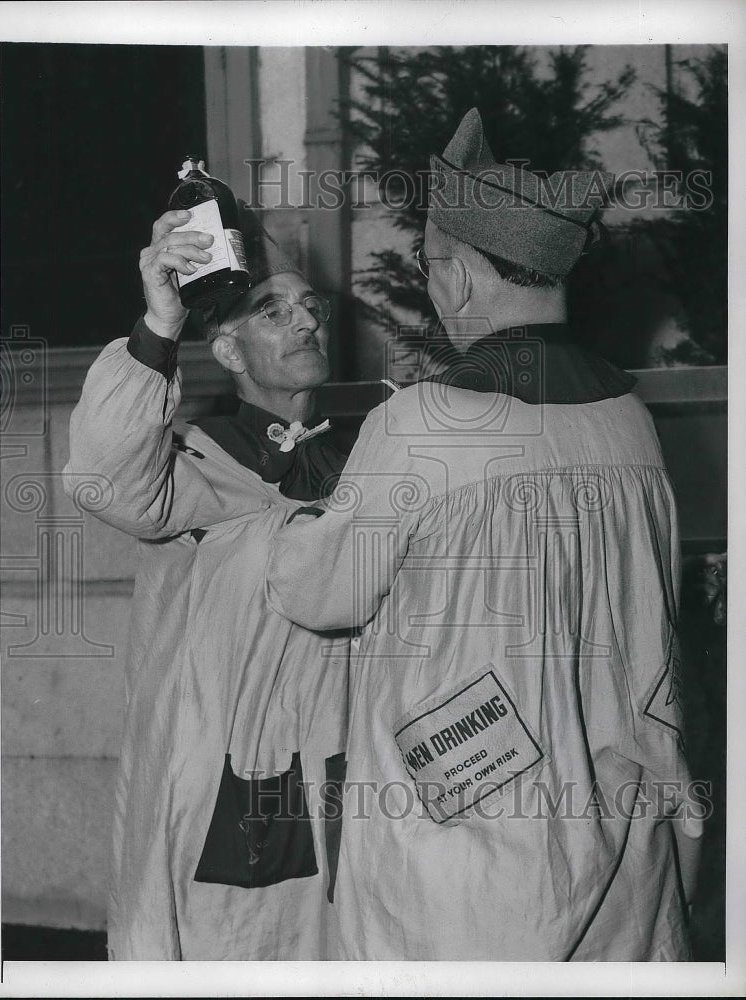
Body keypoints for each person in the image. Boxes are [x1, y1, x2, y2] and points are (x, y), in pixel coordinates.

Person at [265, 108, 702, 961]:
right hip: (621, 849)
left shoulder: (426, 422)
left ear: (458, 277)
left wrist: (303, 506)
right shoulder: (632, 423)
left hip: (465, 863)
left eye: (432, 272)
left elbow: (315, 593)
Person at [63, 201, 350, 960]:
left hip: (349, 783)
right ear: (225, 350)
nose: (304, 321)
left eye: (310, 307)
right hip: (229, 796)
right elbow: (104, 479)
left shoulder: (367, 467)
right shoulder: (191, 465)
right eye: (273, 310)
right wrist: (159, 324)